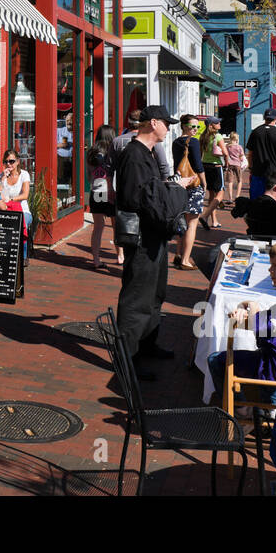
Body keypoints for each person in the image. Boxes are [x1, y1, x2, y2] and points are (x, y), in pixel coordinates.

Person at [114, 105, 186, 378]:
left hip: (155, 235)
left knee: (155, 294)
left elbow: (151, 192)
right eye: (166, 123)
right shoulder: (134, 155)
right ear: (153, 123)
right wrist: (172, 191)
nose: (169, 127)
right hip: (143, 236)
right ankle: (127, 360)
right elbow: (135, 198)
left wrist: (170, 189)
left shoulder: (147, 153)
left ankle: (146, 345)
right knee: (137, 299)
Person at [207, 239, 276, 405]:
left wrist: (252, 305)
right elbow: (275, 319)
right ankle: (256, 411)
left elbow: (259, 329)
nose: (270, 270)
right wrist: (246, 306)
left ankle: (242, 410)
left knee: (215, 360)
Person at [171, 113, 205, 270]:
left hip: (179, 184)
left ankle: (178, 254)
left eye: (197, 126)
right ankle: (185, 260)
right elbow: (198, 166)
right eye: (193, 126)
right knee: (192, 223)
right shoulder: (194, 142)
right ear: (184, 126)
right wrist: (204, 183)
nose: (195, 129)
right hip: (193, 184)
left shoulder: (175, 142)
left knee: (181, 220)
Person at [86, 125, 122, 268]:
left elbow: (89, 175)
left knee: (98, 227)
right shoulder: (113, 151)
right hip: (111, 191)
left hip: (97, 191)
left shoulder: (91, 152)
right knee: (116, 226)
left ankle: (96, 259)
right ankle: (120, 255)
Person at [245, 108, 276, 200]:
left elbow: (250, 153)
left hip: (258, 172)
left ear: (264, 118)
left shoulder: (256, 132)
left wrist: (251, 167)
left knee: (257, 201)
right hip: (275, 174)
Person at [113, 108, 173, 181]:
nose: (168, 129)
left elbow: (109, 168)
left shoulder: (117, 141)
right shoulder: (152, 141)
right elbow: (163, 166)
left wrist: (110, 188)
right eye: (166, 125)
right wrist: (167, 187)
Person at [198, 116, 227, 230]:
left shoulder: (202, 136)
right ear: (211, 125)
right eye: (217, 123)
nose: (219, 124)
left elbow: (200, 154)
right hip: (216, 166)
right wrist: (227, 163)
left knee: (211, 195)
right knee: (220, 194)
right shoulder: (218, 136)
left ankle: (214, 221)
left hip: (205, 166)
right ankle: (205, 216)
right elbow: (225, 153)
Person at [0, 149, 32, 232]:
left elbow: (25, 195)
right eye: (6, 162)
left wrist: (10, 200)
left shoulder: (24, 175)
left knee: (20, 227)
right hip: (6, 211)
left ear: (17, 162)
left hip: (22, 210)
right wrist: (3, 179)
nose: (8, 164)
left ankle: (23, 245)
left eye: (11, 161)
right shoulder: (2, 176)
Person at [223, 132, 246, 204]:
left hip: (230, 165)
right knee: (239, 180)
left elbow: (225, 155)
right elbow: (241, 157)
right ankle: (237, 196)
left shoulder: (227, 146)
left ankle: (230, 198)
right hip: (237, 164)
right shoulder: (239, 147)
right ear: (237, 139)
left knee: (230, 181)